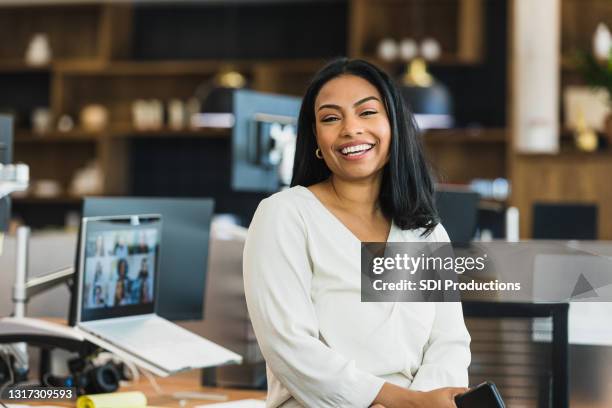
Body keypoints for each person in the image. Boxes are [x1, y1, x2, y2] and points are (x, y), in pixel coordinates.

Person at [243, 58, 471, 408]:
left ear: (393, 124)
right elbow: (289, 348)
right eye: (331, 118)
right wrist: (398, 402)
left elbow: (449, 344)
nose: (351, 128)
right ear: (316, 138)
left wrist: (417, 404)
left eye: (366, 113)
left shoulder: (425, 231)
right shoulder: (286, 215)